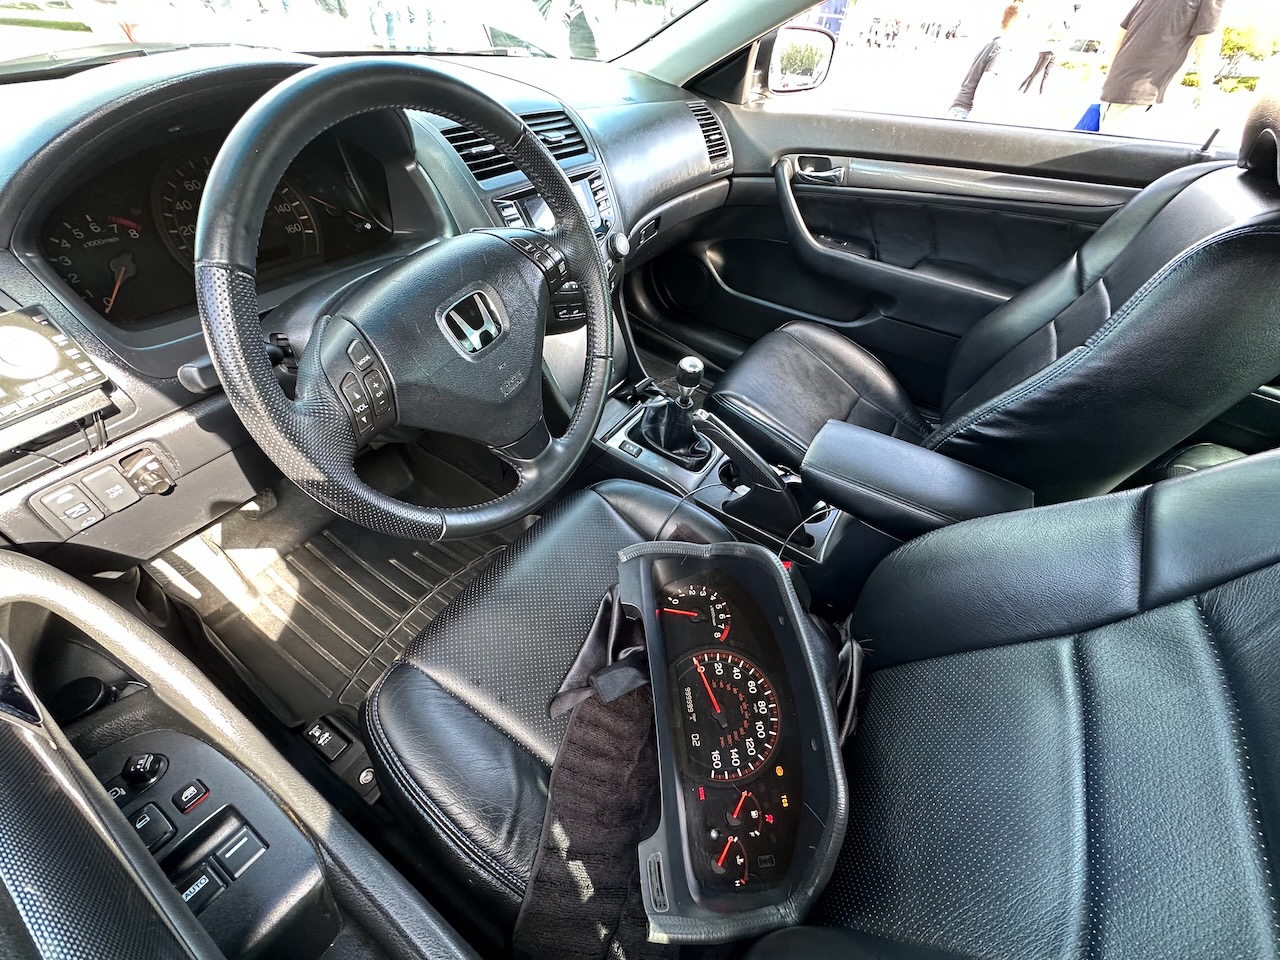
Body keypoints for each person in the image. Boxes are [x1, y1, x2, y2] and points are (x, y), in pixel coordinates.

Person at [1099, 0, 1226, 134]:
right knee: (1121, 151)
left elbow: (1121, 36)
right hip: (1146, 94)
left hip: (1116, 89)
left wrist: (1110, 78)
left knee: (1106, 147)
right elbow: (1205, 45)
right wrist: (1205, 91)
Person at [947, 3, 1022, 121]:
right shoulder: (1001, 49)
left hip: (958, 108)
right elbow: (986, 89)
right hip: (966, 113)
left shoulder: (992, 43)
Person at [1019, 3, 1079, 95]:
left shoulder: (1063, 22)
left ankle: (1037, 91)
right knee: (1035, 73)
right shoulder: (1063, 24)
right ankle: (1023, 91)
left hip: (1052, 51)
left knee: (1042, 73)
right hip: (1050, 50)